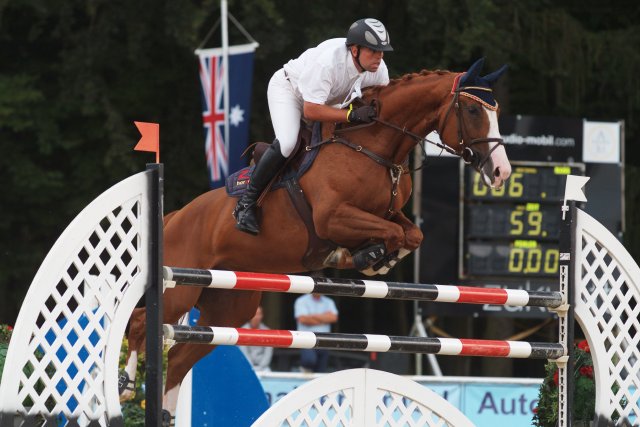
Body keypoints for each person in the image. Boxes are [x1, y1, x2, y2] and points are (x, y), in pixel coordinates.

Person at [233, 18, 393, 235]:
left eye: (382, 51)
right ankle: (246, 204)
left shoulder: (378, 69)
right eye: (373, 51)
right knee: (288, 143)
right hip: (290, 92)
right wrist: (352, 115)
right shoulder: (329, 63)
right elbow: (311, 110)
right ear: (355, 50)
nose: (379, 57)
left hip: (326, 100)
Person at [294, 293, 339, 372]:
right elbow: (303, 320)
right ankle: (304, 371)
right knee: (309, 361)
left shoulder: (329, 301)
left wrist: (312, 316)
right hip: (306, 339)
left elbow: (334, 318)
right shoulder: (301, 300)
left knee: (320, 372)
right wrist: (324, 317)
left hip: (324, 340)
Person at [239, 306, 273, 371]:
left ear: (262, 316)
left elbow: (268, 353)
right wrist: (251, 366)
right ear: (250, 316)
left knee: (268, 371)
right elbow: (243, 352)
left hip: (263, 367)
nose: (256, 317)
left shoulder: (267, 331)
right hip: (246, 365)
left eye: (259, 314)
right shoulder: (242, 330)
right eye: (255, 314)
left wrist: (261, 367)